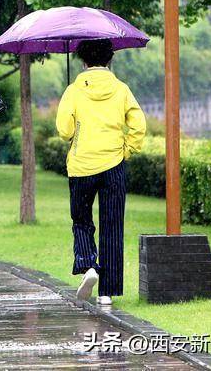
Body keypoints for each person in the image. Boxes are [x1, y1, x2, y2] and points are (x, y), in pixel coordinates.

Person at [55, 38, 146, 307]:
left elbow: (64, 131)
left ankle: (88, 266)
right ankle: (108, 291)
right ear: (110, 59)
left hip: (81, 166)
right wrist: (127, 150)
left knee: (82, 220)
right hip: (113, 166)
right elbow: (138, 125)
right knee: (112, 225)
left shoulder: (73, 90)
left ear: (83, 61)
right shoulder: (121, 89)